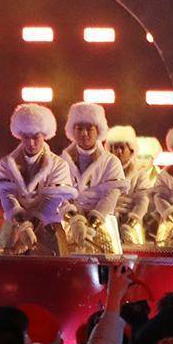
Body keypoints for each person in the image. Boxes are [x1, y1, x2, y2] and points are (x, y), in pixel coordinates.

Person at [0, 103, 75, 255]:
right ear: (19, 135)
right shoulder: (6, 163)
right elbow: (7, 196)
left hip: (47, 228)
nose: (31, 143)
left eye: (36, 137)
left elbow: (52, 200)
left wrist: (30, 227)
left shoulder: (59, 164)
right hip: (15, 226)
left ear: (45, 135)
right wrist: (22, 226)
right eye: (26, 137)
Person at [61, 102, 124, 256]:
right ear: (72, 130)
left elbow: (111, 195)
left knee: (108, 264)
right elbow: (59, 194)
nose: (84, 134)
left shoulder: (111, 161)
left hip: (102, 221)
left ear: (98, 130)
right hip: (70, 222)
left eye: (89, 129)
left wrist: (93, 223)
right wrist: (74, 219)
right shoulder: (61, 161)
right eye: (79, 128)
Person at [105, 125, 155, 248]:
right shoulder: (103, 173)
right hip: (108, 221)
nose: (118, 151)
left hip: (131, 221)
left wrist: (132, 220)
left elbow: (143, 201)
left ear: (131, 150)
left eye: (122, 147)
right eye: (115, 147)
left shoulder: (140, 175)